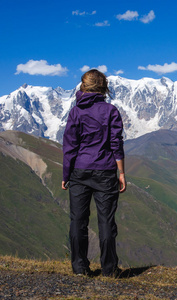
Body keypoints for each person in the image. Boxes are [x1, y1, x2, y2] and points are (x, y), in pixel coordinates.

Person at [62, 69, 126, 277]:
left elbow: (70, 146)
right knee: (106, 221)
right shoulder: (111, 111)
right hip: (106, 171)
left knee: (78, 220)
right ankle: (109, 270)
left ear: (84, 86)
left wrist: (66, 174)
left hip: (79, 171)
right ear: (103, 87)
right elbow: (116, 143)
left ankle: (79, 267)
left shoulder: (76, 112)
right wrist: (121, 173)